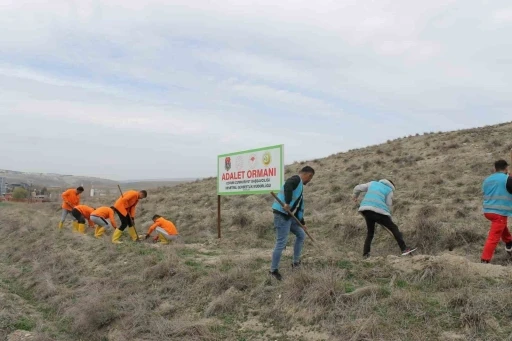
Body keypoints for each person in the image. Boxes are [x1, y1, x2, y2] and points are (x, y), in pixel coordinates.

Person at [269, 166, 315, 281]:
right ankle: (273, 271)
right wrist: (287, 202)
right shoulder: (296, 179)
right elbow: (287, 185)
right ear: (308, 175)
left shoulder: (300, 189)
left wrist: (302, 223)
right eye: (310, 178)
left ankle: (296, 263)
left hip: (289, 217)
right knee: (281, 242)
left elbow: (300, 208)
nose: (309, 181)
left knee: (301, 235)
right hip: (281, 214)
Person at [353, 179, 416, 258]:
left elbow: (357, 188)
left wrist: (355, 196)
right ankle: (404, 249)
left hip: (366, 210)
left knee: (370, 233)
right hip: (379, 211)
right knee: (393, 227)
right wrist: (388, 217)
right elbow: (388, 204)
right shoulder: (389, 190)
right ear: (391, 185)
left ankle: (366, 254)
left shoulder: (372, 183)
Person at [481, 159, 512, 263]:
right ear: (506, 168)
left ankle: (509, 243)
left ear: (494, 168)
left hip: (487, 211)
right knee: (493, 238)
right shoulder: (507, 179)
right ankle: (484, 261)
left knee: (501, 226)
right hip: (499, 212)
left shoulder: (487, 179)